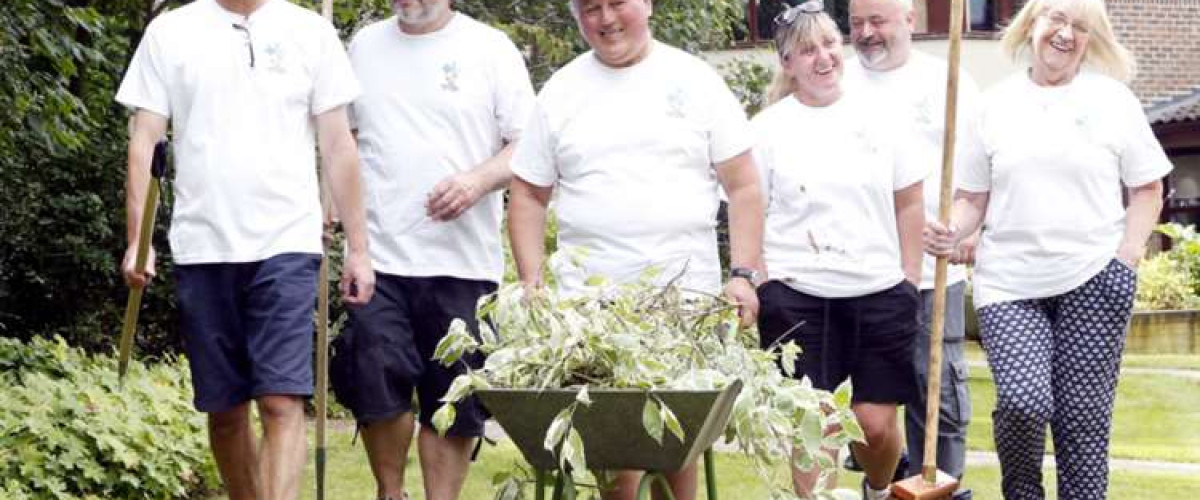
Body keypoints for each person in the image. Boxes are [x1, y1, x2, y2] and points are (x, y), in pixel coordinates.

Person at [116, 0, 375, 499]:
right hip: (202, 245)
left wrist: (359, 249)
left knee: (281, 400)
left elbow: (339, 145)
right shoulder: (171, 31)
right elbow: (144, 141)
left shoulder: (310, 32)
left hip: (286, 243)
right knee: (226, 411)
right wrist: (138, 241)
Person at [506, 0, 765, 497]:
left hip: (683, 306)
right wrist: (532, 283)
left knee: (676, 443)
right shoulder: (562, 90)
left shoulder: (694, 81)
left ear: (646, 4)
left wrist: (744, 273)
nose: (605, 20)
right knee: (614, 451)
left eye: (616, 3)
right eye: (590, 8)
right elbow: (529, 192)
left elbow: (745, 185)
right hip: (592, 312)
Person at [923, 0, 1171, 497]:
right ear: (1030, 23)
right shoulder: (993, 104)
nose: (1065, 33)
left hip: (1095, 279)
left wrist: (1127, 257)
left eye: (1080, 26)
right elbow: (973, 197)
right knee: (1023, 402)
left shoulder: (1111, 100)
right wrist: (952, 229)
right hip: (1009, 284)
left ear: (1091, 39)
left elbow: (1147, 188)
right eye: (1056, 18)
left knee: (1082, 424)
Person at [333, 0, 535, 499]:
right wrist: (333, 210)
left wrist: (477, 180)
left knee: (456, 399)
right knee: (376, 379)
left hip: (463, 263)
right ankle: (390, 492)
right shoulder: (364, 46)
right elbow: (344, 140)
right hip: (378, 256)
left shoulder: (490, 49)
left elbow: (527, 145)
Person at [750, 2, 925, 499]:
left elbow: (909, 203)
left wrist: (908, 280)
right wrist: (764, 282)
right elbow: (749, 209)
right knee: (815, 423)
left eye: (829, 44)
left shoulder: (883, 118)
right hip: (797, 293)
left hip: (879, 289)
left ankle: (876, 488)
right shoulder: (766, 130)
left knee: (874, 426)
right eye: (807, 51)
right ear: (787, 64)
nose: (822, 57)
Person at [842, 0, 979, 496]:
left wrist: (963, 229)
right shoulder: (836, 82)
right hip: (856, 277)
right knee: (866, 410)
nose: (865, 33)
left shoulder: (949, 82)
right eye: (856, 23)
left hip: (928, 276)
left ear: (909, 19)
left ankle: (940, 490)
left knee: (937, 399)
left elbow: (978, 182)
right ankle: (885, 486)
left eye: (876, 21)